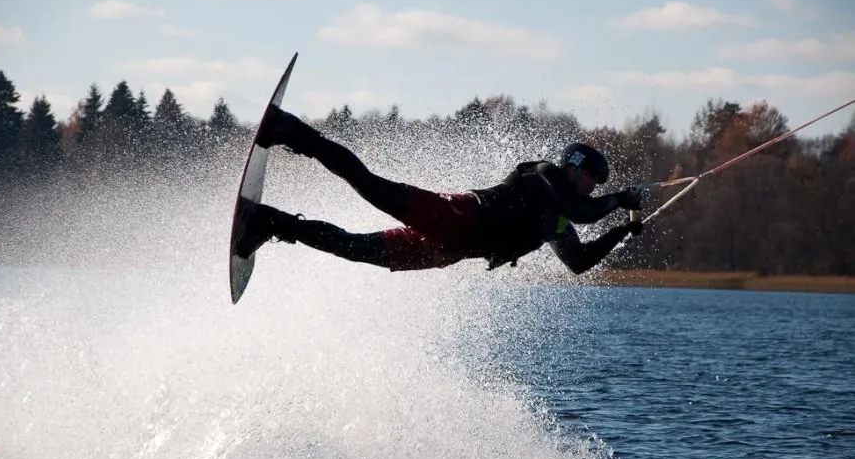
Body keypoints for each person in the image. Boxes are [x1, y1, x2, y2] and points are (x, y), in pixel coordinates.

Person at [233, 106, 645, 274]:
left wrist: (622, 230)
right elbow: (581, 210)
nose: (593, 186)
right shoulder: (543, 174)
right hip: (457, 215)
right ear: (573, 166)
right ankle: (291, 130)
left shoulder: (558, 221)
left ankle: (271, 222)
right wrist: (621, 201)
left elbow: (579, 262)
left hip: (452, 249)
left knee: (355, 249)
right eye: (591, 177)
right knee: (368, 185)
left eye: (598, 184)